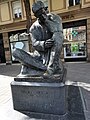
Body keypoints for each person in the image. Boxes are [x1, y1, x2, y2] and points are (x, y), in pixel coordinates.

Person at [13, 1, 64, 76]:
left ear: (45, 9)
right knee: (15, 52)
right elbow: (34, 43)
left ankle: (51, 67)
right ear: (35, 15)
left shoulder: (55, 18)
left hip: (51, 54)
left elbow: (57, 31)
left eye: (42, 12)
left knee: (58, 36)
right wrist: (43, 44)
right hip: (38, 56)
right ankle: (41, 68)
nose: (41, 16)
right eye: (38, 14)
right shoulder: (33, 28)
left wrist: (47, 21)